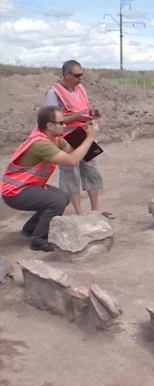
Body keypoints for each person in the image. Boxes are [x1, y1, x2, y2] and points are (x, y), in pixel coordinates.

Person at [2, 106, 98, 251]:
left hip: (27, 186)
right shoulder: (41, 144)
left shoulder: (53, 138)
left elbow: (72, 152)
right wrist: (90, 138)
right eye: (61, 123)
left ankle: (30, 229)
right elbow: (71, 161)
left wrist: (83, 135)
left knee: (63, 197)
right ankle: (38, 241)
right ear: (50, 125)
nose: (65, 125)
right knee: (56, 201)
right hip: (16, 191)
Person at [45, 60, 113, 219]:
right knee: (70, 174)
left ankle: (95, 211)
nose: (80, 78)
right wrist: (77, 116)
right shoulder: (53, 93)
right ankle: (79, 214)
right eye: (77, 75)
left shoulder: (81, 88)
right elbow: (50, 122)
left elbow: (83, 108)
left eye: (82, 75)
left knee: (92, 171)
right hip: (66, 138)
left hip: (84, 134)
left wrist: (91, 112)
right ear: (66, 74)